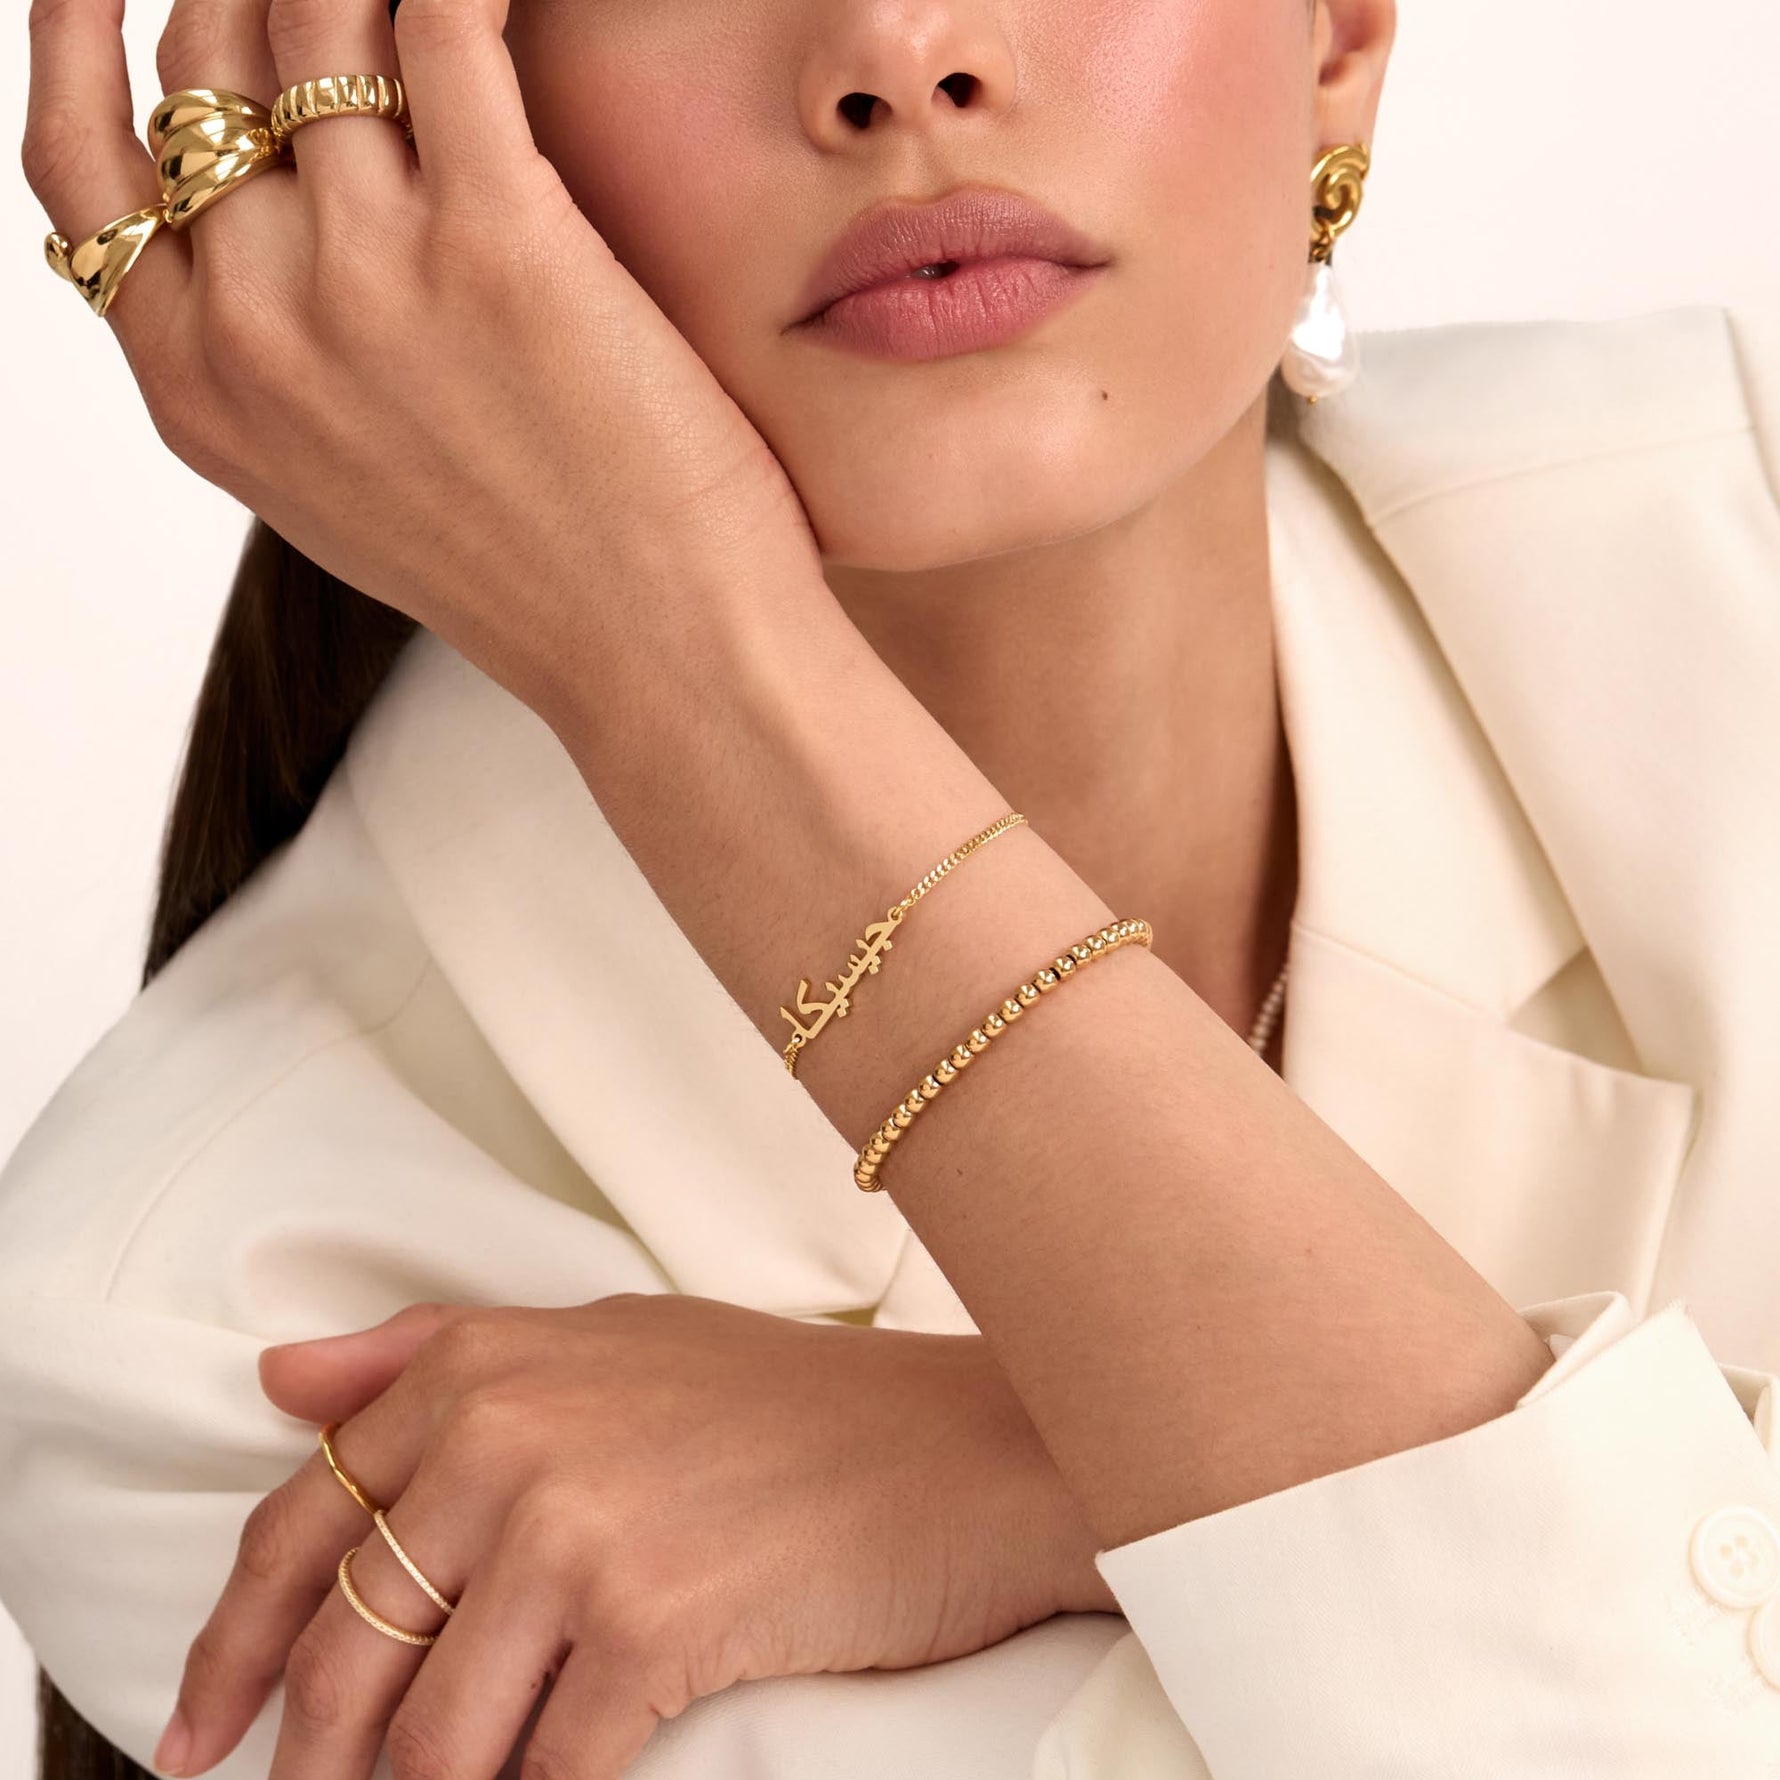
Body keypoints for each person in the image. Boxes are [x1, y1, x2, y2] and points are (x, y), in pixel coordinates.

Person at [8, 0, 1780, 1773]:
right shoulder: (214, 1325)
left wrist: (1022, 1464)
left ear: (1338, 37)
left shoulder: (1742, 532)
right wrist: (681, 672)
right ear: (396, 134)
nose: (900, 47)